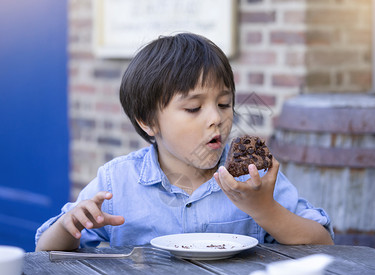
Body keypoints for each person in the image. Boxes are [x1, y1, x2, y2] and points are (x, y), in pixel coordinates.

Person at [35, 33, 333, 251]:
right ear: (148, 121)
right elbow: (46, 253)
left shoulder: (255, 180)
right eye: (193, 108)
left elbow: (323, 241)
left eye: (224, 103)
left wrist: (264, 209)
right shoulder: (117, 183)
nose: (215, 118)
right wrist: (68, 225)